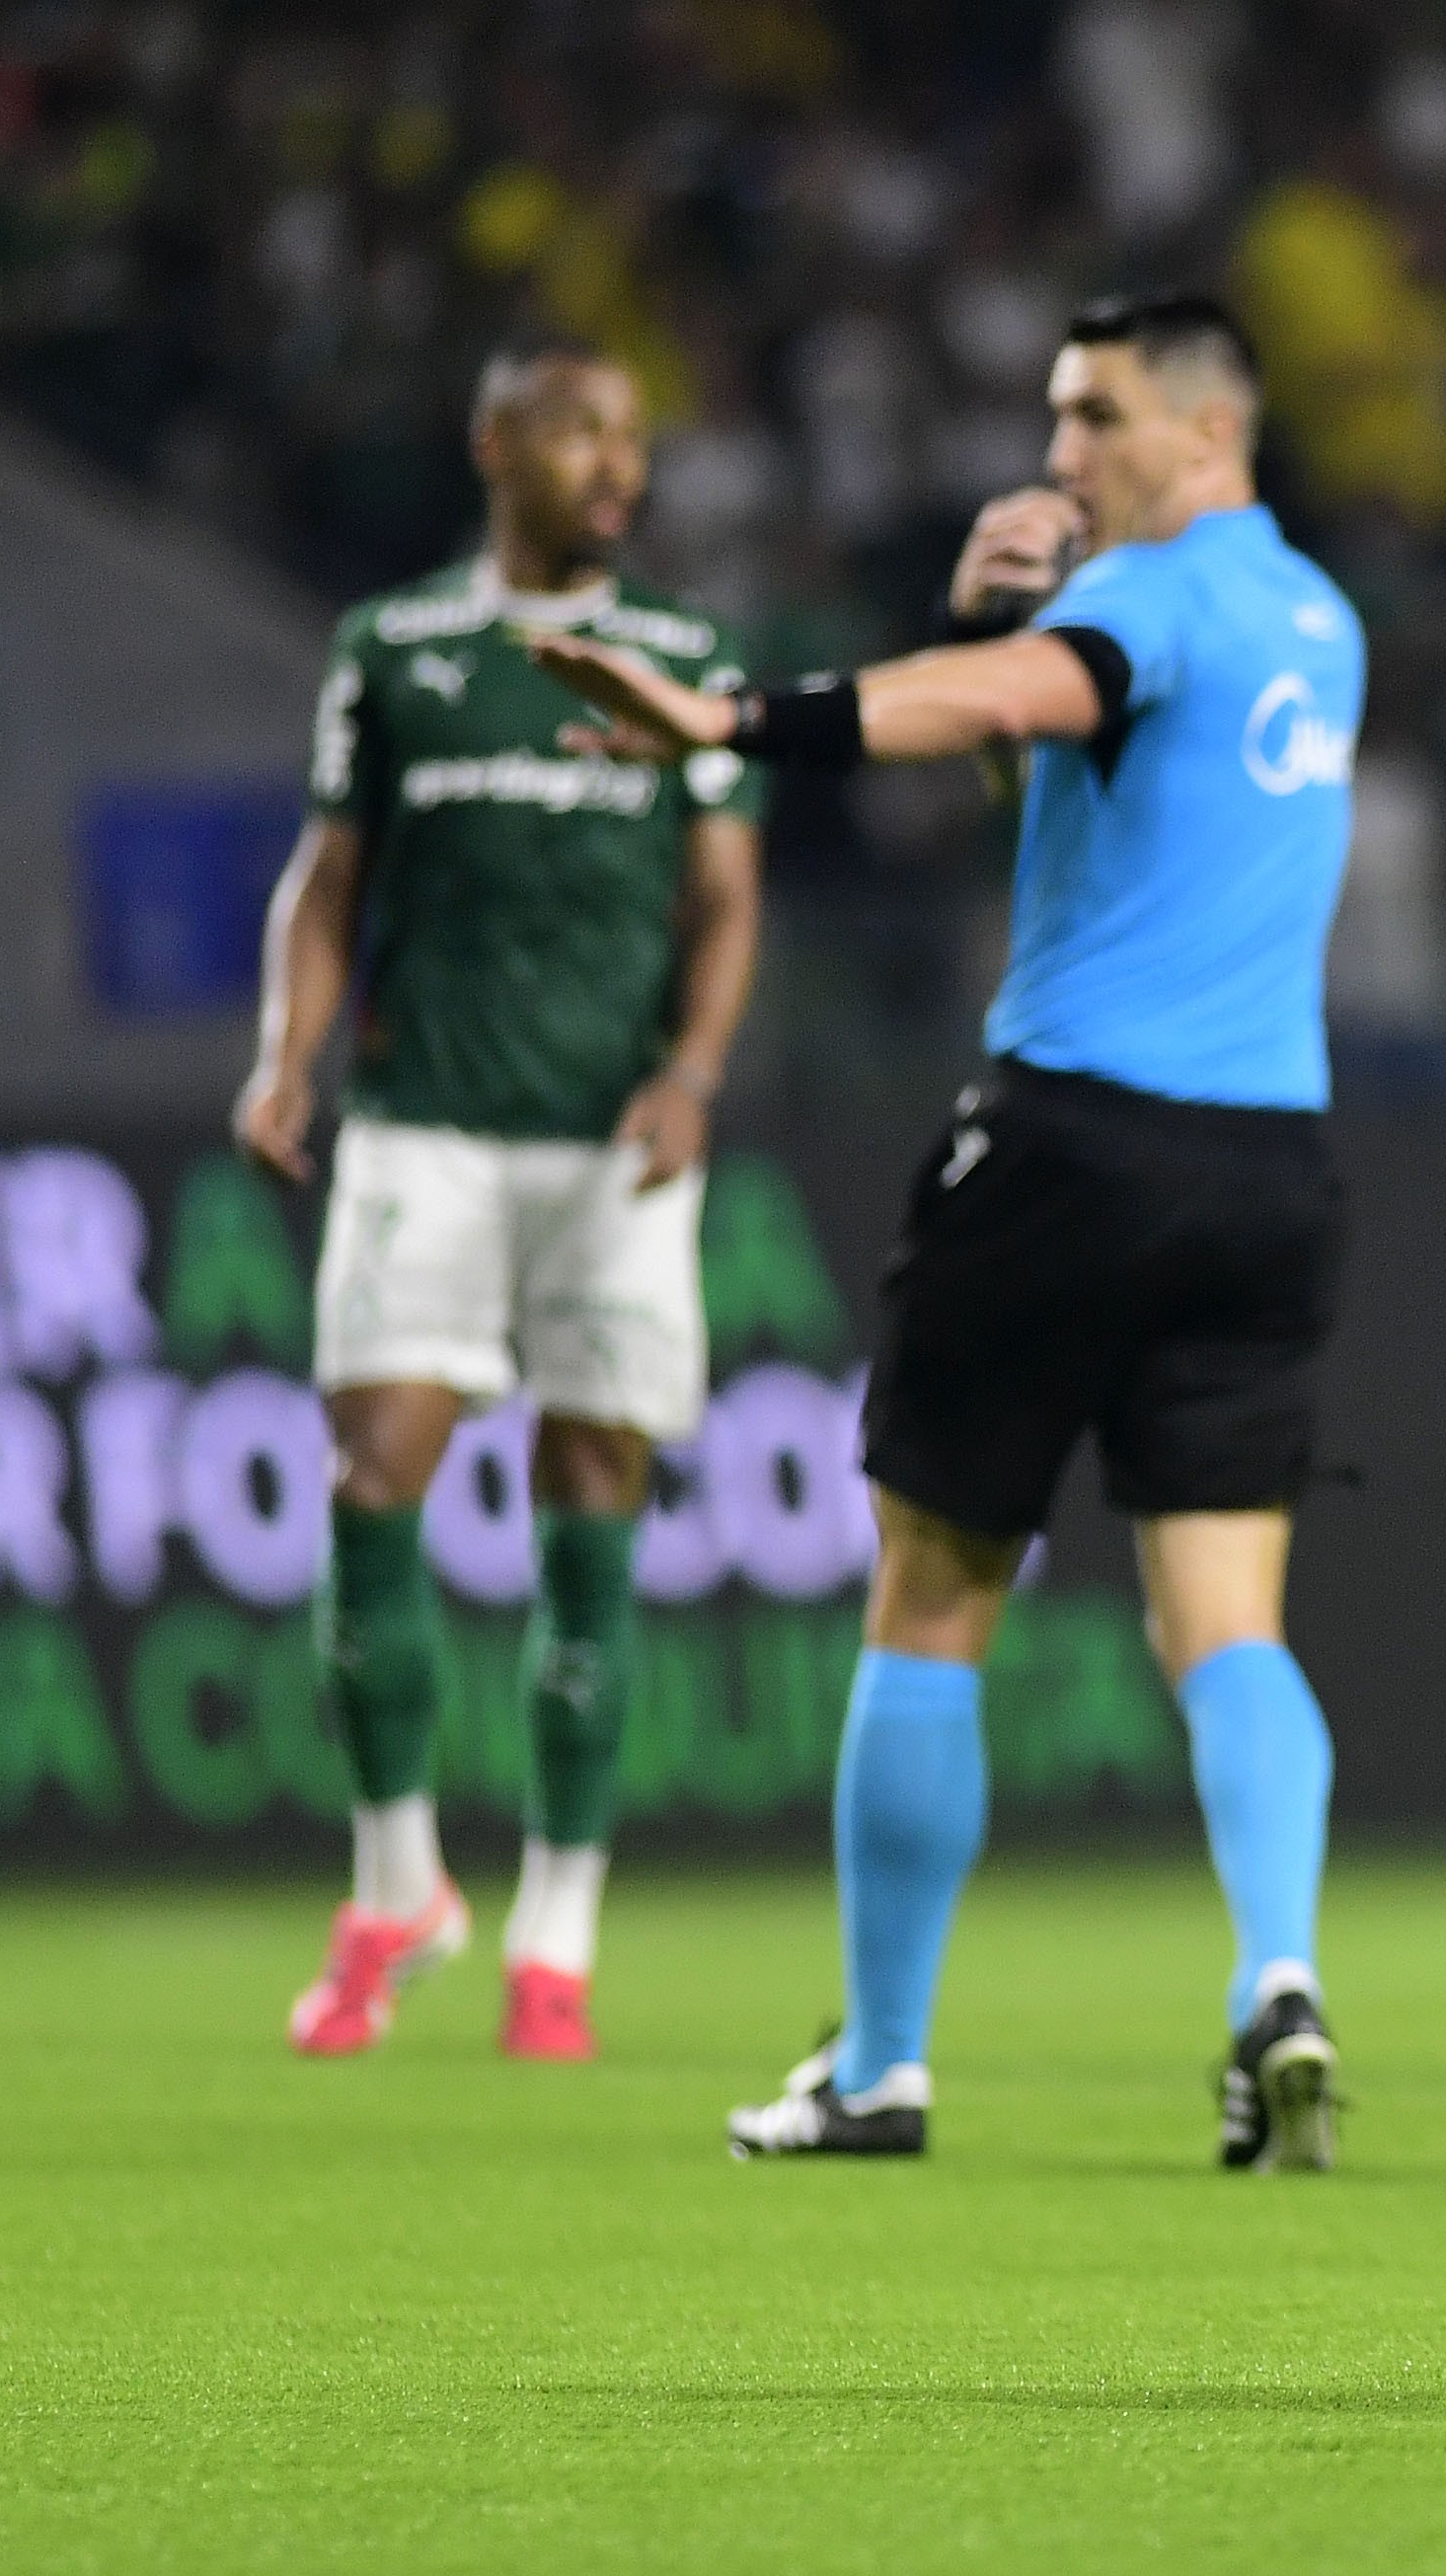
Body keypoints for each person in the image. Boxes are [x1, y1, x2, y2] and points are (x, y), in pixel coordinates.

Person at [527, 293, 1363, 2172]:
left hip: (1069, 1150)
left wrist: (732, 718)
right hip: (1270, 1175)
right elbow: (1076, 772)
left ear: (1207, 434)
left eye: (1099, 417)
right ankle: (1279, 1981)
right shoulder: (1317, 618)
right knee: (1227, 1619)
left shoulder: (1143, 606)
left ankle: (883, 2063)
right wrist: (1017, 623)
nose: (1063, 453)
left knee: (931, 1597)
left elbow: (1001, 711)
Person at [235, 339, 766, 2064]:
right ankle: (397, 1884)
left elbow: (728, 900)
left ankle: (559, 1931)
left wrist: (690, 1071)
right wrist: (284, 1058)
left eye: (634, 433)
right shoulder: (395, 653)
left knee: (590, 1491)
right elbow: (329, 882)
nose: (618, 462)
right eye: (581, 430)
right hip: (424, 1127)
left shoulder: (685, 660)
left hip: (609, 1148)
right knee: (372, 1468)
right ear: (496, 444)